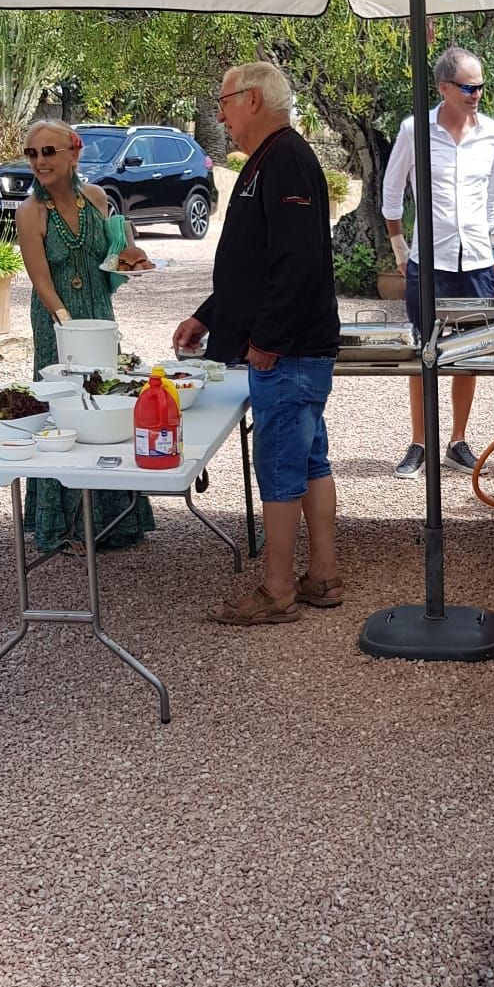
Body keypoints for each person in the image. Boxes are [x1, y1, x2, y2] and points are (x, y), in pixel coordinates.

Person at [172, 62, 341, 626]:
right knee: (309, 460)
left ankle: (277, 590)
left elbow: (296, 263)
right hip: (292, 348)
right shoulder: (270, 159)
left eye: (224, 102)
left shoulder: (286, 159)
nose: (220, 115)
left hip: (289, 353)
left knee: (280, 468)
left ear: (252, 99)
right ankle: (323, 575)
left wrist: (267, 339)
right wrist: (208, 316)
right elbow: (252, 266)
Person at [14, 119, 154, 555]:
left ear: (74, 153)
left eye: (48, 152)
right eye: (32, 153)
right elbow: (40, 280)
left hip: (99, 313)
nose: (39, 161)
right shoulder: (30, 212)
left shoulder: (96, 198)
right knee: (64, 410)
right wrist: (67, 325)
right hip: (56, 324)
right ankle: (65, 527)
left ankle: (115, 520)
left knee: (108, 403)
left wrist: (132, 257)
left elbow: (113, 257)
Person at [382, 45, 494, 479]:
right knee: (423, 351)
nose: (476, 95)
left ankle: (458, 441)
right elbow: (391, 193)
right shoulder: (414, 129)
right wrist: (400, 250)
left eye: (480, 87)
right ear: (443, 88)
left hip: (476, 262)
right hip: (428, 260)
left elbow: (491, 195)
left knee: (471, 352)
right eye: (468, 88)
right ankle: (419, 442)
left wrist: (483, 238)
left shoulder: (492, 132)